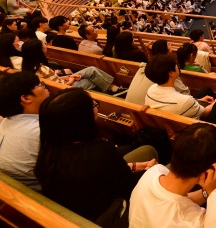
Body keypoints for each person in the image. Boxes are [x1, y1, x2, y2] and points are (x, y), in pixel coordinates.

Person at [35, 88, 157, 224]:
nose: (96, 108)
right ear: (81, 119)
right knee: (157, 161)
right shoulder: (100, 151)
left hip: (78, 210)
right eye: (93, 105)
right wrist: (150, 172)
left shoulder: (48, 151)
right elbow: (131, 190)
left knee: (146, 150)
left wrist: (131, 167)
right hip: (108, 215)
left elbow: (92, 177)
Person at [129, 123, 216, 228]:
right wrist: (215, 194)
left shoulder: (152, 172)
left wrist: (206, 193)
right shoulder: (192, 222)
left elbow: (181, 202)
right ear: (208, 171)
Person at [0, 71, 49, 190]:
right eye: (40, 85)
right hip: (41, 195)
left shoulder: (6, 121)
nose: (45, 87)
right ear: (26, 98)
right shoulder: (40, 130)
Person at [21, 38, 116, 93]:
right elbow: (59, 87)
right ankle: (113, 90)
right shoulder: (43, 69)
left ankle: (113, 88)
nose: (46, 46)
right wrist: (71, 79)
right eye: (43, 45)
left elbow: (54, 80)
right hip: (66, 89)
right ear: (39, 51)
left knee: (92, 70)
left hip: (62, 80)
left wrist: (68, 77)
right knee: (92, 80)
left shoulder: (28, 66)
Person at [145, 54, 214, 118]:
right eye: (175, 64)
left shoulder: (151, 90)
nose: (177, 66)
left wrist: (198, 100)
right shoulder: (184, 101)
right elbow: (205, 113)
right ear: (171, 73)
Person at [126, 40, 191, 105]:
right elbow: (185, 93)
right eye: (168, 45)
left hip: (131, 107)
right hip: (145, 109)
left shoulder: (145, 67)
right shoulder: (166, 71)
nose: (170, 45)